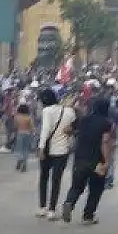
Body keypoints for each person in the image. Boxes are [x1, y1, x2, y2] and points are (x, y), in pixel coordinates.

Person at [61, 97, 114, 225]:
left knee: (77, 186)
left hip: (80, 158)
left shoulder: (83, 120)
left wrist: (78, 134)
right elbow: (105, 142)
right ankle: (88, 216)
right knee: (95, 189)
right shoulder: (107, 123)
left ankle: (69, 202)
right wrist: (107, 161)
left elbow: (66, 130)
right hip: (97, 161)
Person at [36, 88, 75, 220]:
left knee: (43, 178)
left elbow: (45, 130)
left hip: (47, 148)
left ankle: (42, 207)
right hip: (62, 149)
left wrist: (41, 148)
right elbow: (71, 130)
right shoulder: (70, 111)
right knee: (56, 180)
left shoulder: (47, 111)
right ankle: (52, 209)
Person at [13, 104, 34, 172]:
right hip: (27, 134)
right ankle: (24, 165)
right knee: (26, 150)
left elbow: (15, 126)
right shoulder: (28, 117)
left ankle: (20, 159)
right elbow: (31, 127)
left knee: (19, 149)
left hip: (20, 133)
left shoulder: (17, 117)